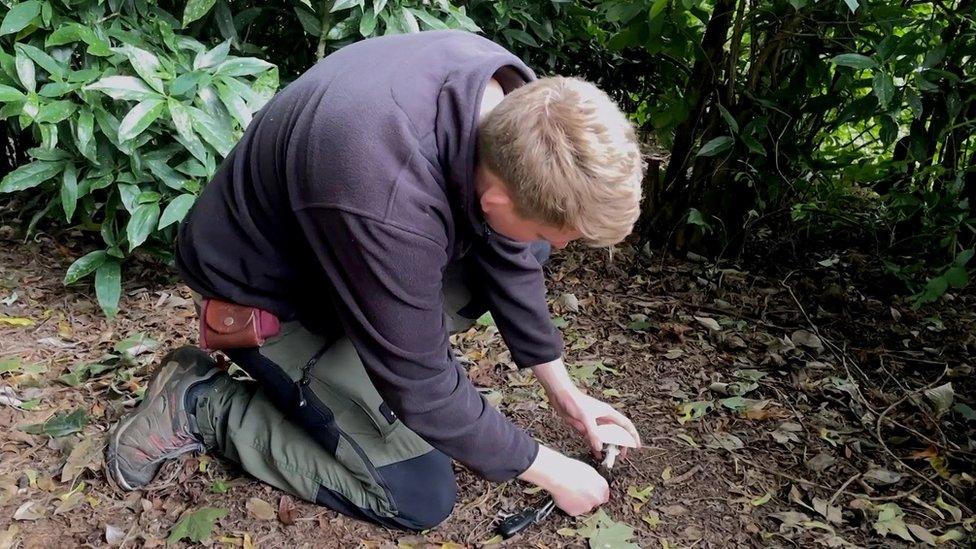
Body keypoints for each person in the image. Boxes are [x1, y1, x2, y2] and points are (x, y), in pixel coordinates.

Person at [104, 29, 645, 531]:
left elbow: (512, 249)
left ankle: (353, 368)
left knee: (531, 241)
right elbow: (423, 387)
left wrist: (565, 393)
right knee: (415, 493)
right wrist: (549, 469)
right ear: (494, 199)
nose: (568, 246)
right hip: (262, 293)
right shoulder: (384, 192)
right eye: (572, 234)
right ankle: (202, 405)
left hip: (342, 252)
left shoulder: (506, 99)